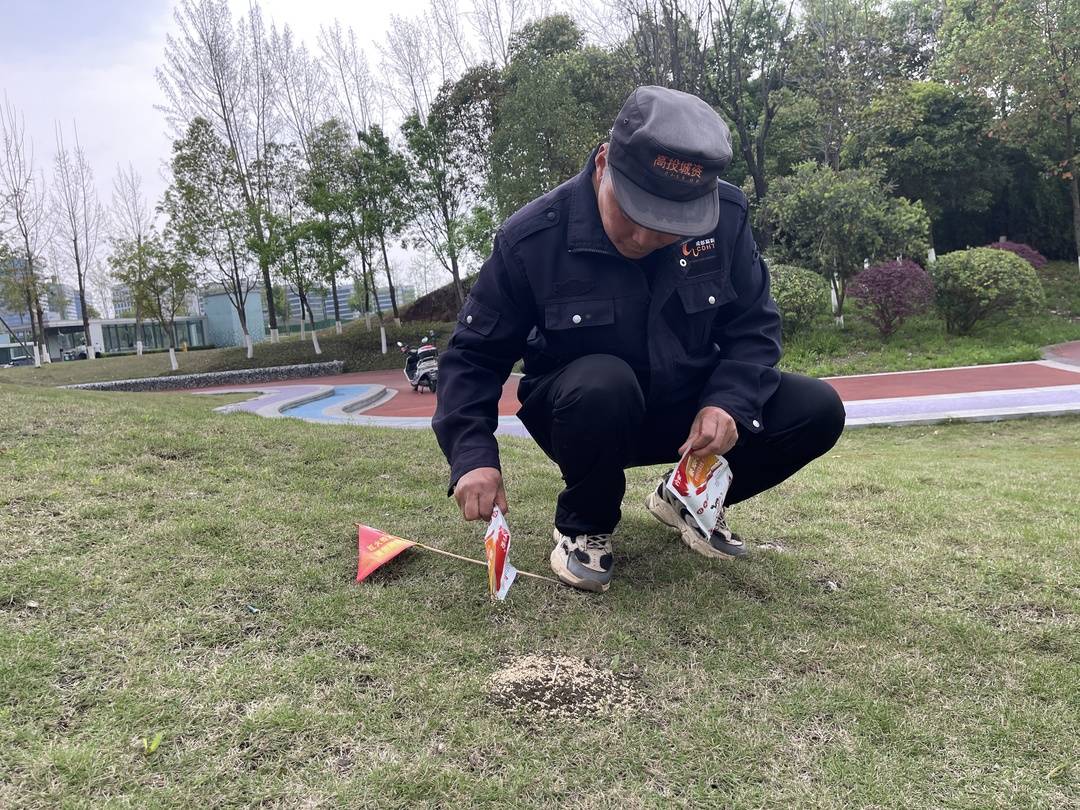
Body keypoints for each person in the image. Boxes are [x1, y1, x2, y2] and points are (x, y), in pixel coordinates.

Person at [432, 86, 845, 593]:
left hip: (685, 408)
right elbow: (473, 357)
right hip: (585, 414)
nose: (646, 239)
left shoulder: (728, 218)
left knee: (818, 409)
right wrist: (472, 454)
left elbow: (754, 327)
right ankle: (584, 524)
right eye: (633, 212)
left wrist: (728, 402)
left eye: (671, 225)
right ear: (603, 164)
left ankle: (686, 499)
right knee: (603, 382)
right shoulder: (532, 239)